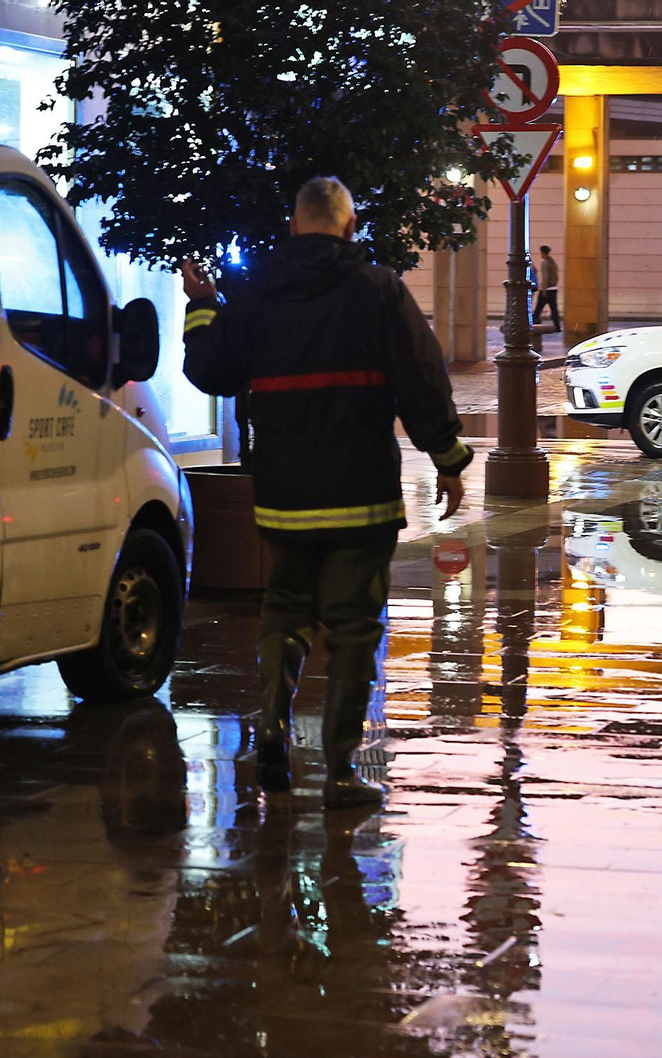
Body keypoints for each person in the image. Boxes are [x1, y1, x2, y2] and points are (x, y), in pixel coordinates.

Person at [179, 176, 475, 810]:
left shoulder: (257, 294)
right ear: (349, 225)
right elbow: (421, 379)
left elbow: (210, 368)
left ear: (294, 225)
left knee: (284, 613)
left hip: (283, 495)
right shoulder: (378, 290)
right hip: (360, 494)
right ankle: (340, 770)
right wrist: (448, 458)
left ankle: (273, 733)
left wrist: (200, 305)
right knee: (353, 627)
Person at [532, 245, 561, 329]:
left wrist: (544, 290)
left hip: (546, 289)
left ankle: (532, 323)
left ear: (543, 253)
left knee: (538, 308)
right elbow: (556, 275)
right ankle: (557, 325)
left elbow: (545, 277)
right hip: (553, 288)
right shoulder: (553, 262)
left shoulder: (544, 263)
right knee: (554, 309)